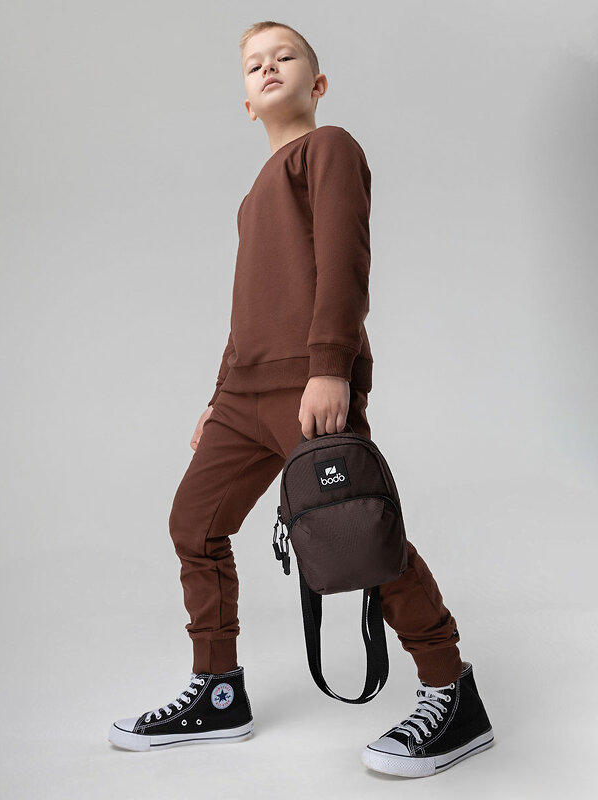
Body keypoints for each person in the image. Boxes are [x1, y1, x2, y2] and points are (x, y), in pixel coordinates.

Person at [108, 19, 494, 777]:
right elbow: (246, 309)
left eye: (284, 56)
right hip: (243, 395)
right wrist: (218, 396)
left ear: (316, 84)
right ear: (246, 103)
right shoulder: (252, 198)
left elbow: (345, 261)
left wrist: (329, 367)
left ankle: (452, 692)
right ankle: (218, 691)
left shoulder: (330, 149)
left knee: (358, 534)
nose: (268, 67)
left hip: (306, 384)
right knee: (194, 524)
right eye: (253, 64)